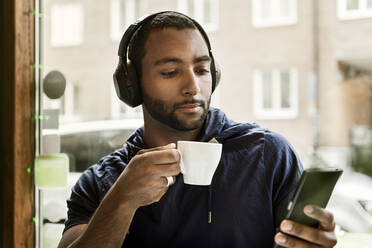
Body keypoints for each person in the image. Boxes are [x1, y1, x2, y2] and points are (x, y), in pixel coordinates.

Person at [58, 11, 337, 248]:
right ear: (131, 82)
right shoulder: (100, 182)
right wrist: (122, 201)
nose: (192, 87)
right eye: (170, 72)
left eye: (202, 70)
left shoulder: (267, 153)